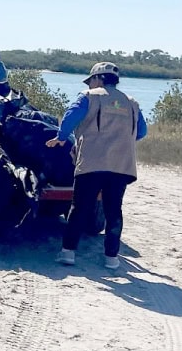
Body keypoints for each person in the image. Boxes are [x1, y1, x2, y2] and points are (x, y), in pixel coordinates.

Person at [47, 61, 148, 270]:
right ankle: (111, 258)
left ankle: (68, 252)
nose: (89, 84)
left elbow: (71, 117)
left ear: (98, 78)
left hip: (92, 162)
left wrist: (61, 137)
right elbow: (141, 132)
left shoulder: (88, 96)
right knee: (114, 211)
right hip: (121, 165)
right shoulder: (132, 103)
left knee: (80, 207)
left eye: (91, 80)